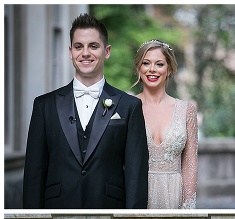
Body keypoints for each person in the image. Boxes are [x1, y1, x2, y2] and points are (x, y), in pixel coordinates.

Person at [22, 13, 148, 209]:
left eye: (93, 46)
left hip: (110, 215)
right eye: (79, 46)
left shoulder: (129, 106)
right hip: (56, 216)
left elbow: (136, 174)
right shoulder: (43, 106)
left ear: (106, 51)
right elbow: (33, 174)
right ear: (70, 51)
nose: (85, 53)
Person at [133, 39, 198, 209]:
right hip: (136, 195)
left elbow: (190, 162)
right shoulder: (126, 107)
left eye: (159, 64)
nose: (152, 69)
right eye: (146, 63)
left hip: (174, 196)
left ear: (169, 69)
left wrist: (188, 207)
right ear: (139, 68)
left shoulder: (186, 110)